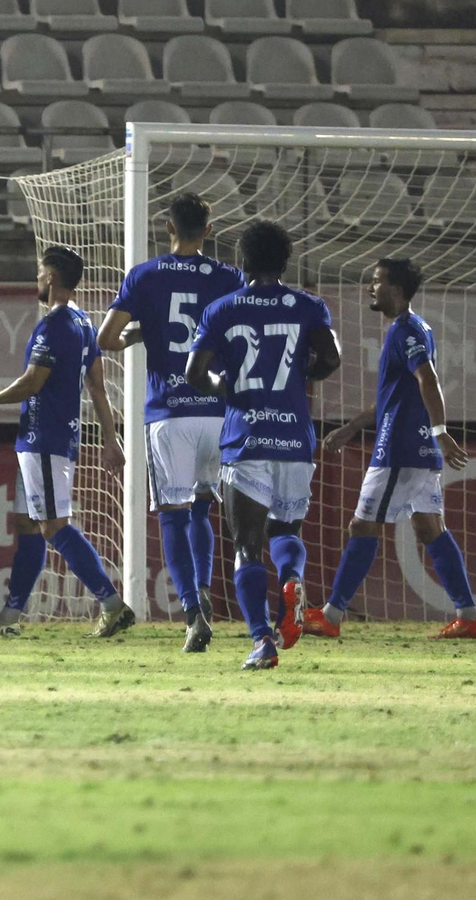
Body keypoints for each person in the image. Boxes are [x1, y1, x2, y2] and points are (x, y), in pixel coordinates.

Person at [303, 258, 476, 639]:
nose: (371, 288)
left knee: (362, 525)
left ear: (398, 290)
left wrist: (440, 430)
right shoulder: (414, 329)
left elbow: (428, 378)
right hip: (415, 448)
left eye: (377, 282)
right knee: (429, 527)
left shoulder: (405, 331)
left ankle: (331, 616)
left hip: (399, 449)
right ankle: (468, 615)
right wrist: (352, 427)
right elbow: (395, 396)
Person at [186, 222, 342, 670]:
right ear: (285, 261)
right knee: (286, 533)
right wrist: (301, 378)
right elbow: (331, 358)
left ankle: (262, 642)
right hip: (294, 436)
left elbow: (196, 374)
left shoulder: (222, 310)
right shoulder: (309, 306)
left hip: (246, 437)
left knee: (247, 546)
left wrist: (223, 386)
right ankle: (292, 579)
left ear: (245, 262)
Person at [97, 192, 246, 652]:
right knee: (204, 505)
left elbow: (106, 339)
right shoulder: (229, 277)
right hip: (217, 410)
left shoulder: (145, 276)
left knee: (172, 512)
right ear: (208, 230)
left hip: (169, 411)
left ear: (167, 228)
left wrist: (144, 331)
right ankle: (202, 587)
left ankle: (192, 613)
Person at [0, 246, 135, 639]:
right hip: (53, 437)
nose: (37, 280)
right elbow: (98, 388)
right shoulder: (84, 322)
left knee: (54, 526)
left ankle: (112, 604)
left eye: (40, 273)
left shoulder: (54, 325)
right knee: (28, 524)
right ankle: (10, 617)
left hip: (44, 438)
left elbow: (33, 381)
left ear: (52, 278)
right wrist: (111, 440)